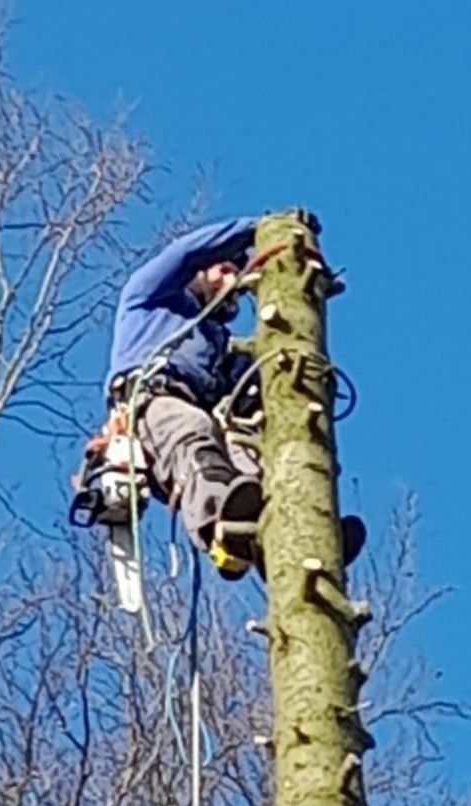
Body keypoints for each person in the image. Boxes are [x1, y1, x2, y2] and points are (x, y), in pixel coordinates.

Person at [94, 217, 363, 579]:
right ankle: (220, 530)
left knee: (252, 461)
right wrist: (256, 228)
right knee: (194, 432)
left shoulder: (216, 345)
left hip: (207, 414)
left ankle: (300, 537)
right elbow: (184, 254)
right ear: (199, 274)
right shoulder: (149, 298)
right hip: (155, 399)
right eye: (223, 269)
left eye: (237, 272)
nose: (232, 280)